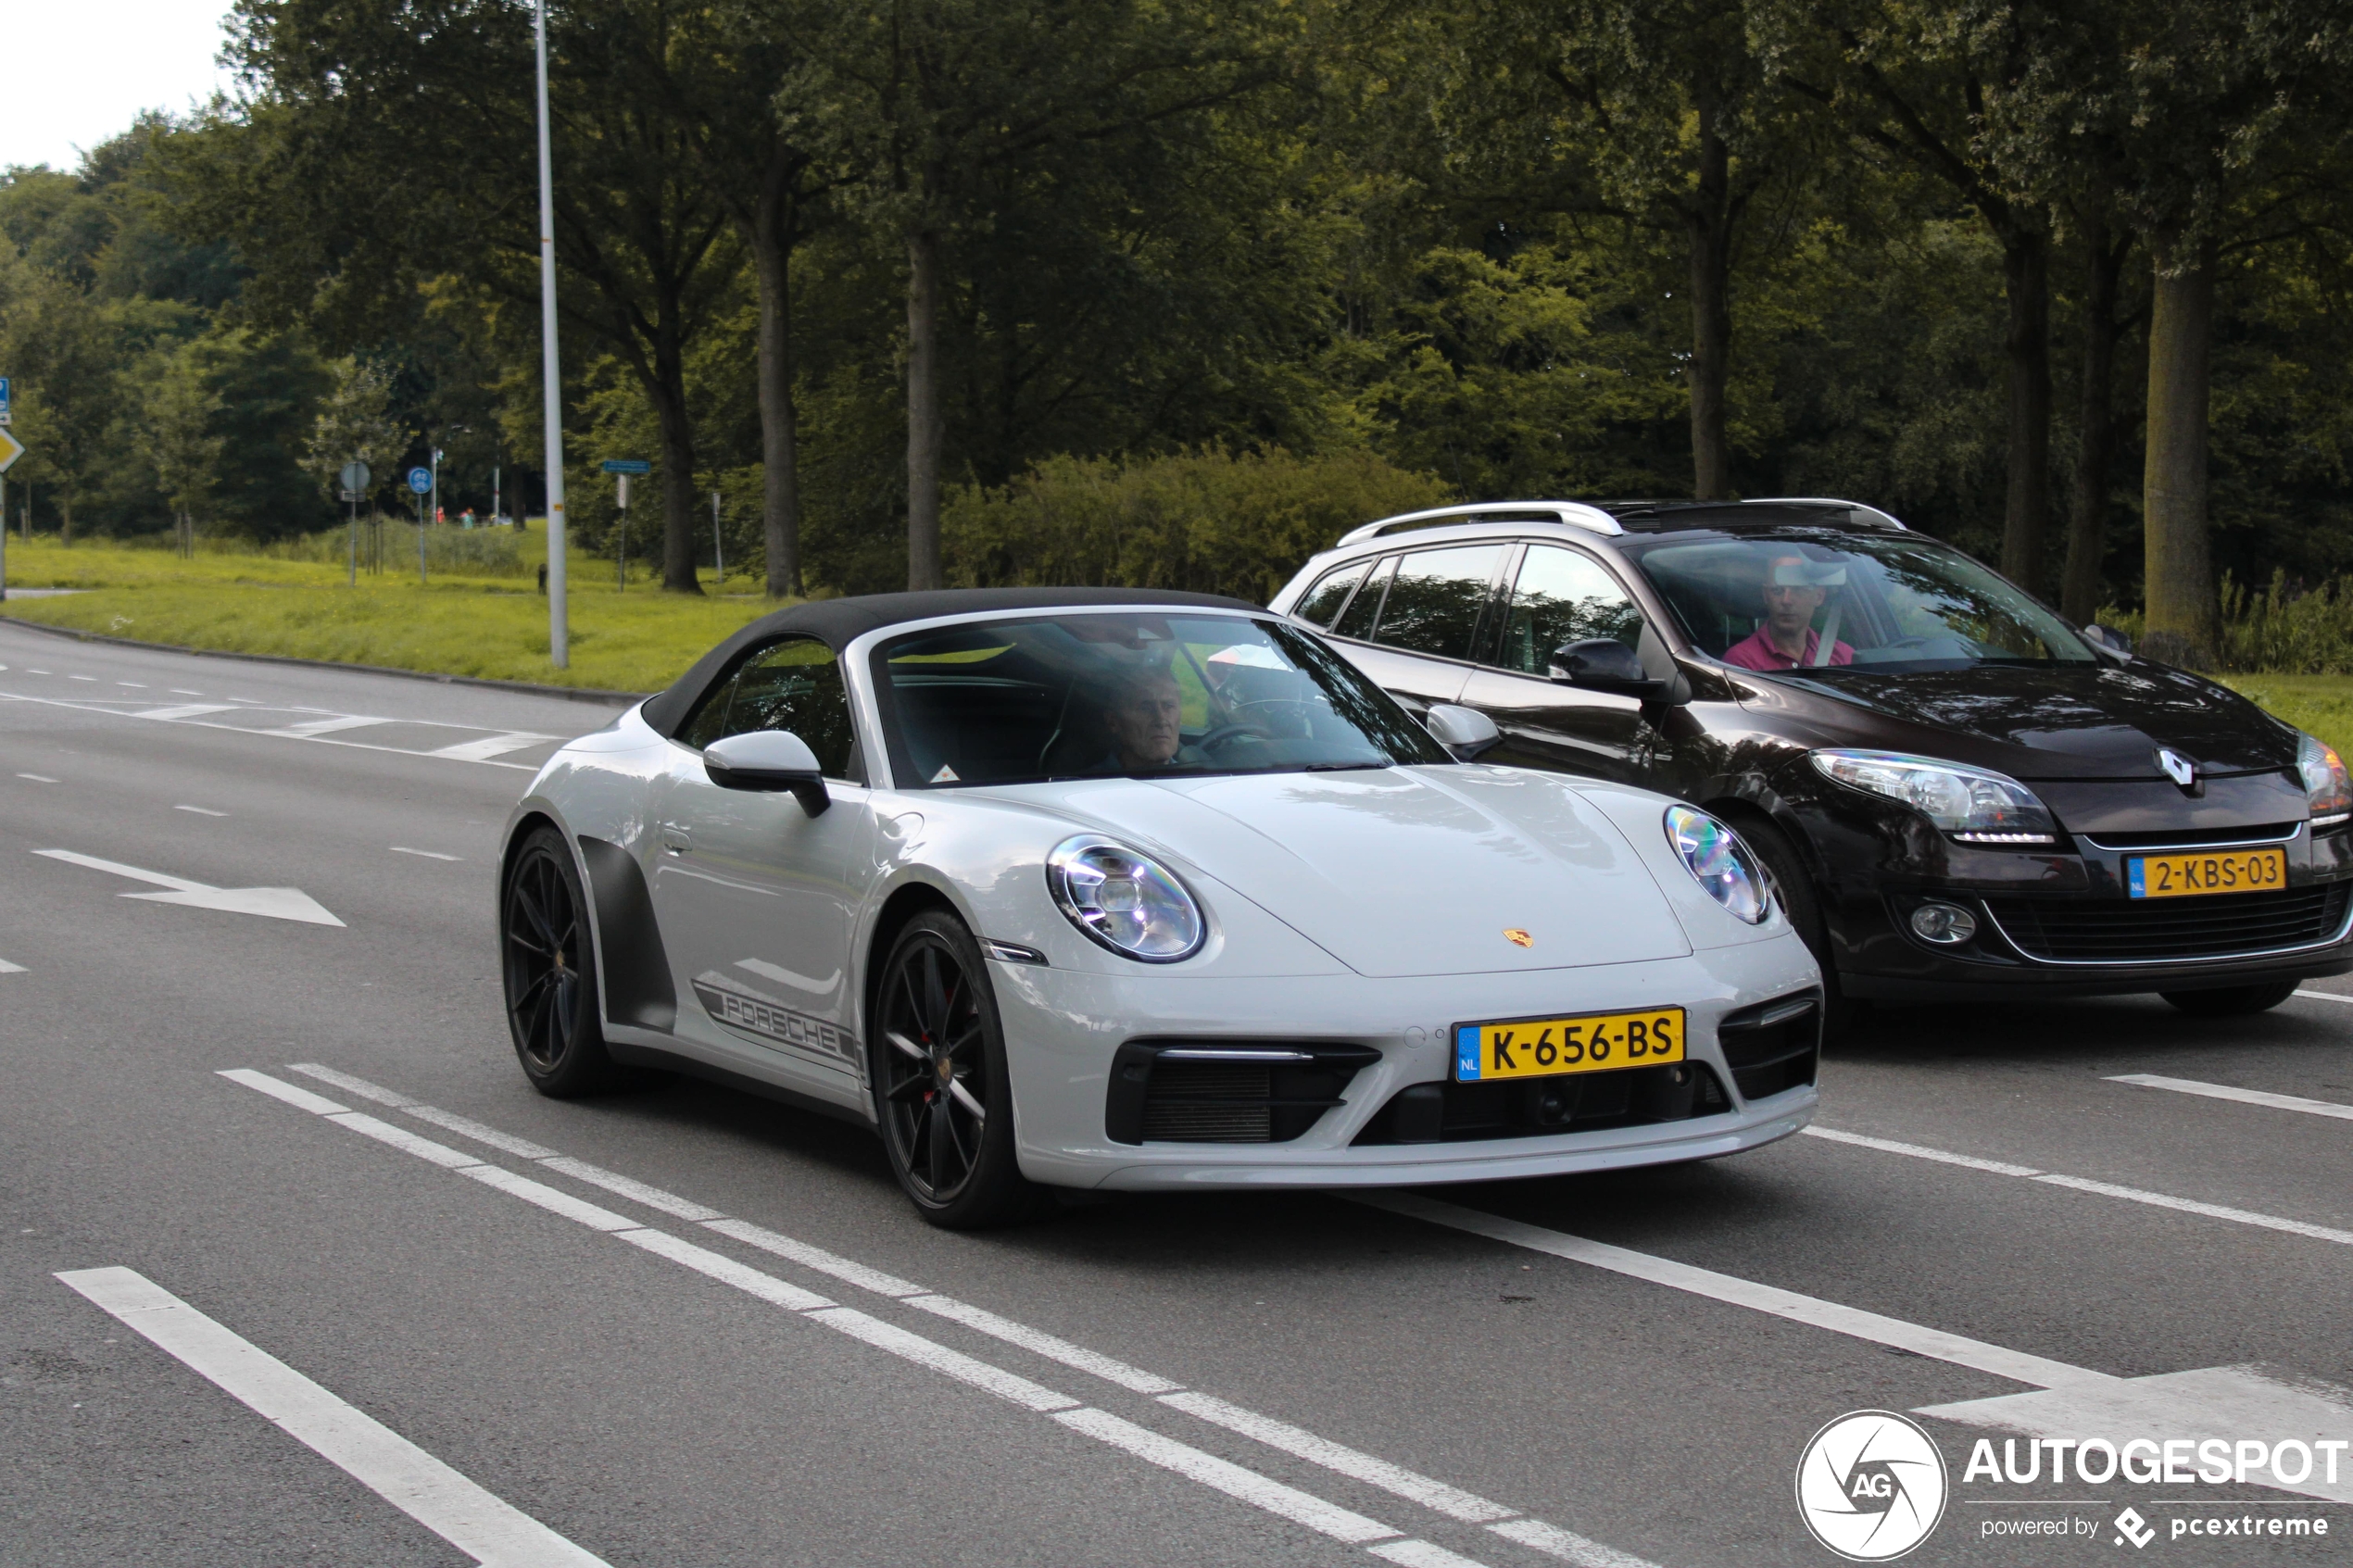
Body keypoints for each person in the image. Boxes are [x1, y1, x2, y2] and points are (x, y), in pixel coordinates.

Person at [1723, 552, 1855, 671]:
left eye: (1798, 590)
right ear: (1765, 595)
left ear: (1819, 596)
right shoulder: (1742, 661)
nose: (1786, 600)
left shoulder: (1843, 655)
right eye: (1777, 591)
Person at [1092, 666, 1204, 774]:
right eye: (1145, 708)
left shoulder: (1195, 776)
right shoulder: (1091, 785)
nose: (1161, 720)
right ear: (1113, 721)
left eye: (1169, 706)